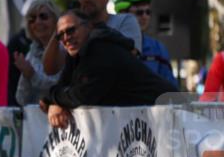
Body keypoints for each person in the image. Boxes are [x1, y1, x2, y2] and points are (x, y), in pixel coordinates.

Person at [41, 9, 178, 129]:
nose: (66, 38)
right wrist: (54, 101)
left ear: (88, 26)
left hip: (171, 114)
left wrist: (52, 98)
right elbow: (64, 85)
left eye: (71, 30)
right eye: (60, 36)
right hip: (149, 118)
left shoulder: (101, 48)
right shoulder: (76, 52)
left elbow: (84, 96)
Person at [43, 0, 141, 76]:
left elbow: (130, 56)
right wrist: (61, 26)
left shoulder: (125, 20)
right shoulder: (73, 30)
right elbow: (49, 69)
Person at [112, 0, 177, 88]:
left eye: (148, 12)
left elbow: (170, 88)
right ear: (122, 14)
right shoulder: (107, 46)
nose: (145, 17)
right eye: (139, 12)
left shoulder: (158, 49)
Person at [13, 0, 63, 106]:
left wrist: (31, 75)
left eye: (43, 17)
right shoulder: (32, 53)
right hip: (35, 119)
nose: (38, 22)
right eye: (32, 19)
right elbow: (21, 99)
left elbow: (57, 89)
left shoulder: (64, 49)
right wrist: (26, 76)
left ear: (56, 20)